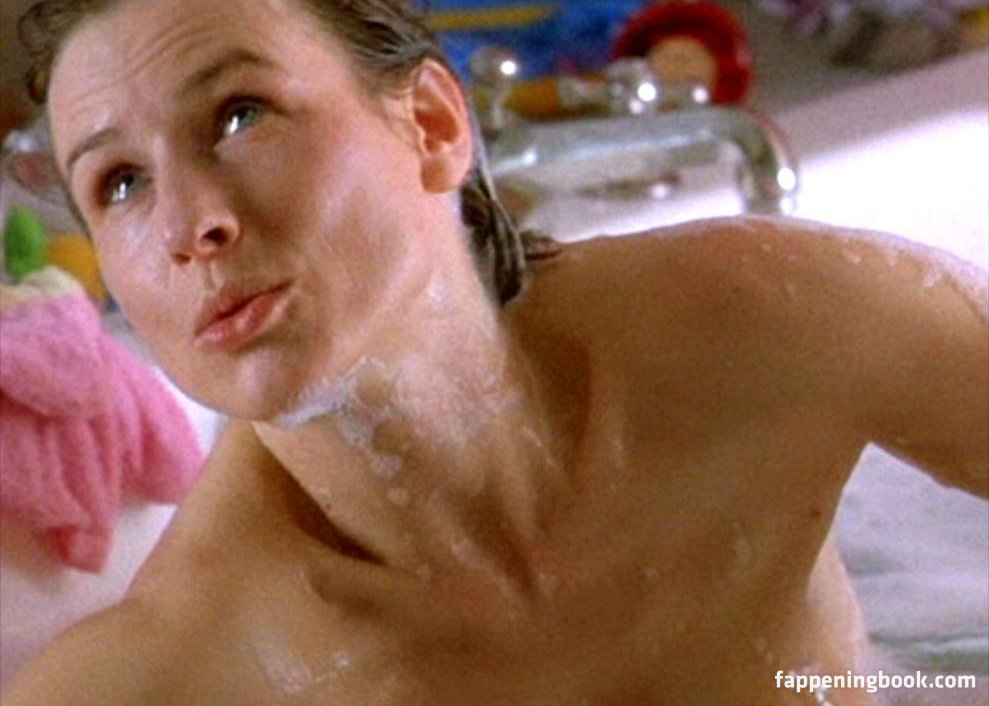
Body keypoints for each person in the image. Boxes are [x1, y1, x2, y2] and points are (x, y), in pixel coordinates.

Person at [4, 0, 987, 704]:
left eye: (238, 114)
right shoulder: (184, 672)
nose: (188, 225)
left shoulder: (772, 330)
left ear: (432, 125)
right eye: (120, 182)